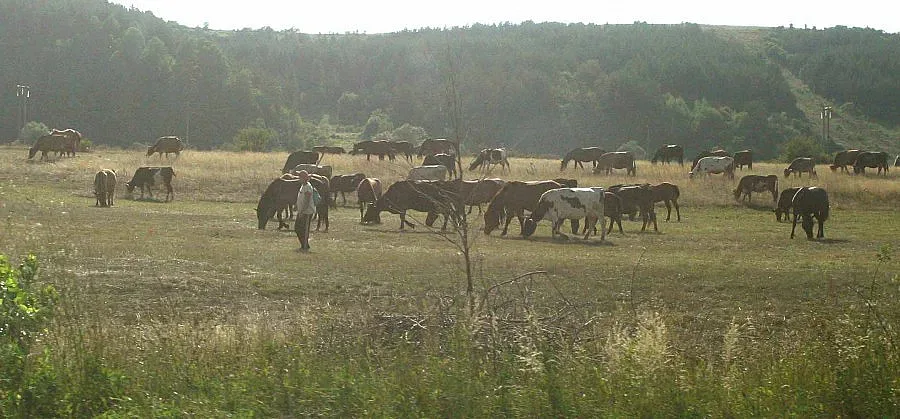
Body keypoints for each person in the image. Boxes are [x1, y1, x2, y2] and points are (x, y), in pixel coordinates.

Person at [294, 170, 316, 251]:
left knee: (303, 229)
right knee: (297, 228)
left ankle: (305, 246)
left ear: (303, 178)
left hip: (306, 212)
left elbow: (306, 201)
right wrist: (296, 206)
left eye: (300, 177)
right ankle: (304, 244)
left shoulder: (308, 187)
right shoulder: (303, 186)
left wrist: (302, 212)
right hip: (301, 211)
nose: (298, 178)